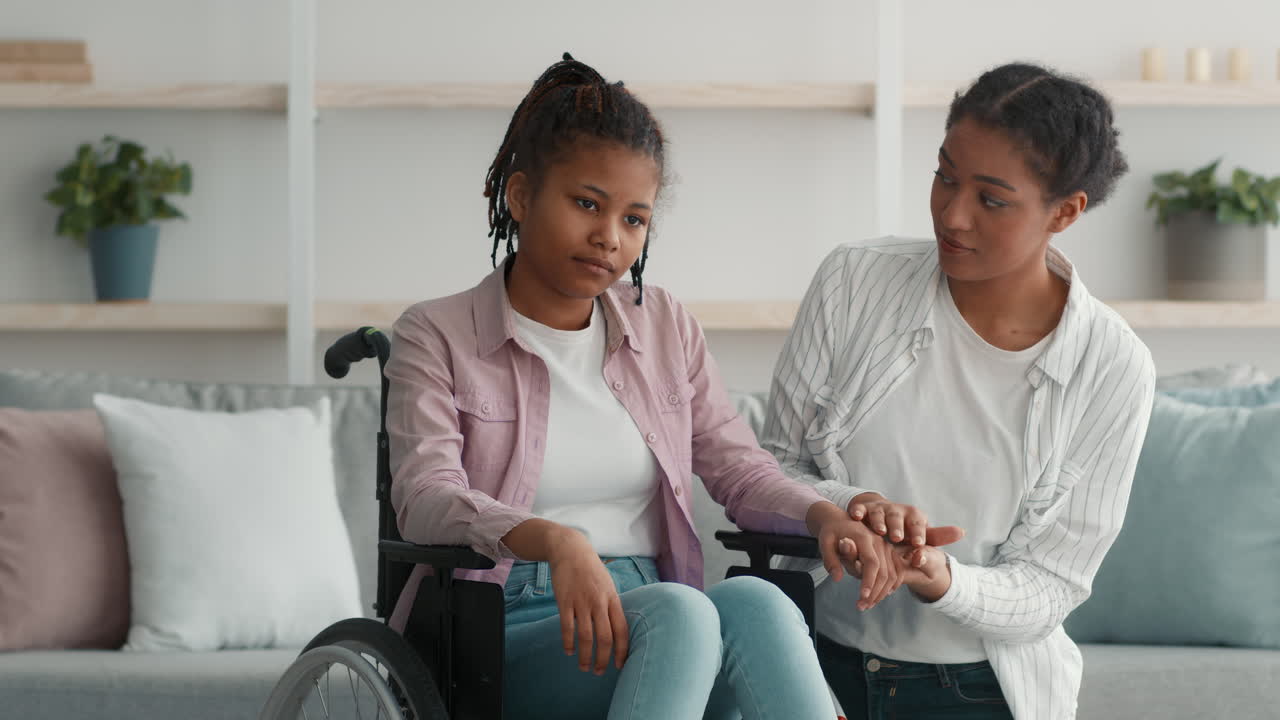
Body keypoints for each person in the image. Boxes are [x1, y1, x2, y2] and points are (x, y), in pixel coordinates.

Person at [383, 53, 957, 720]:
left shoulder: (663, 326)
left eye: (634, 219)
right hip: (497, 621)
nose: (609, 238)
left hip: (658, 610)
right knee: (682, 614)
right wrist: (555, 540)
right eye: (586, 205)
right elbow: (425, 497)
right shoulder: (437, 333)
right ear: (519, 197)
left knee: (756, 602)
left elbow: (737, 468)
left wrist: (825, 516)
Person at [761, 62, 1157, 720]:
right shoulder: (853, 280)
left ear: (1065, 211)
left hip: (980, 694)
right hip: (812, 667)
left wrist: (939, 578)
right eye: (945, 175)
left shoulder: (1113, 367)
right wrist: (850, 506)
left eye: (991, 199)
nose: (952, 213)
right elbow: (770, 471)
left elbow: (1050, 585)